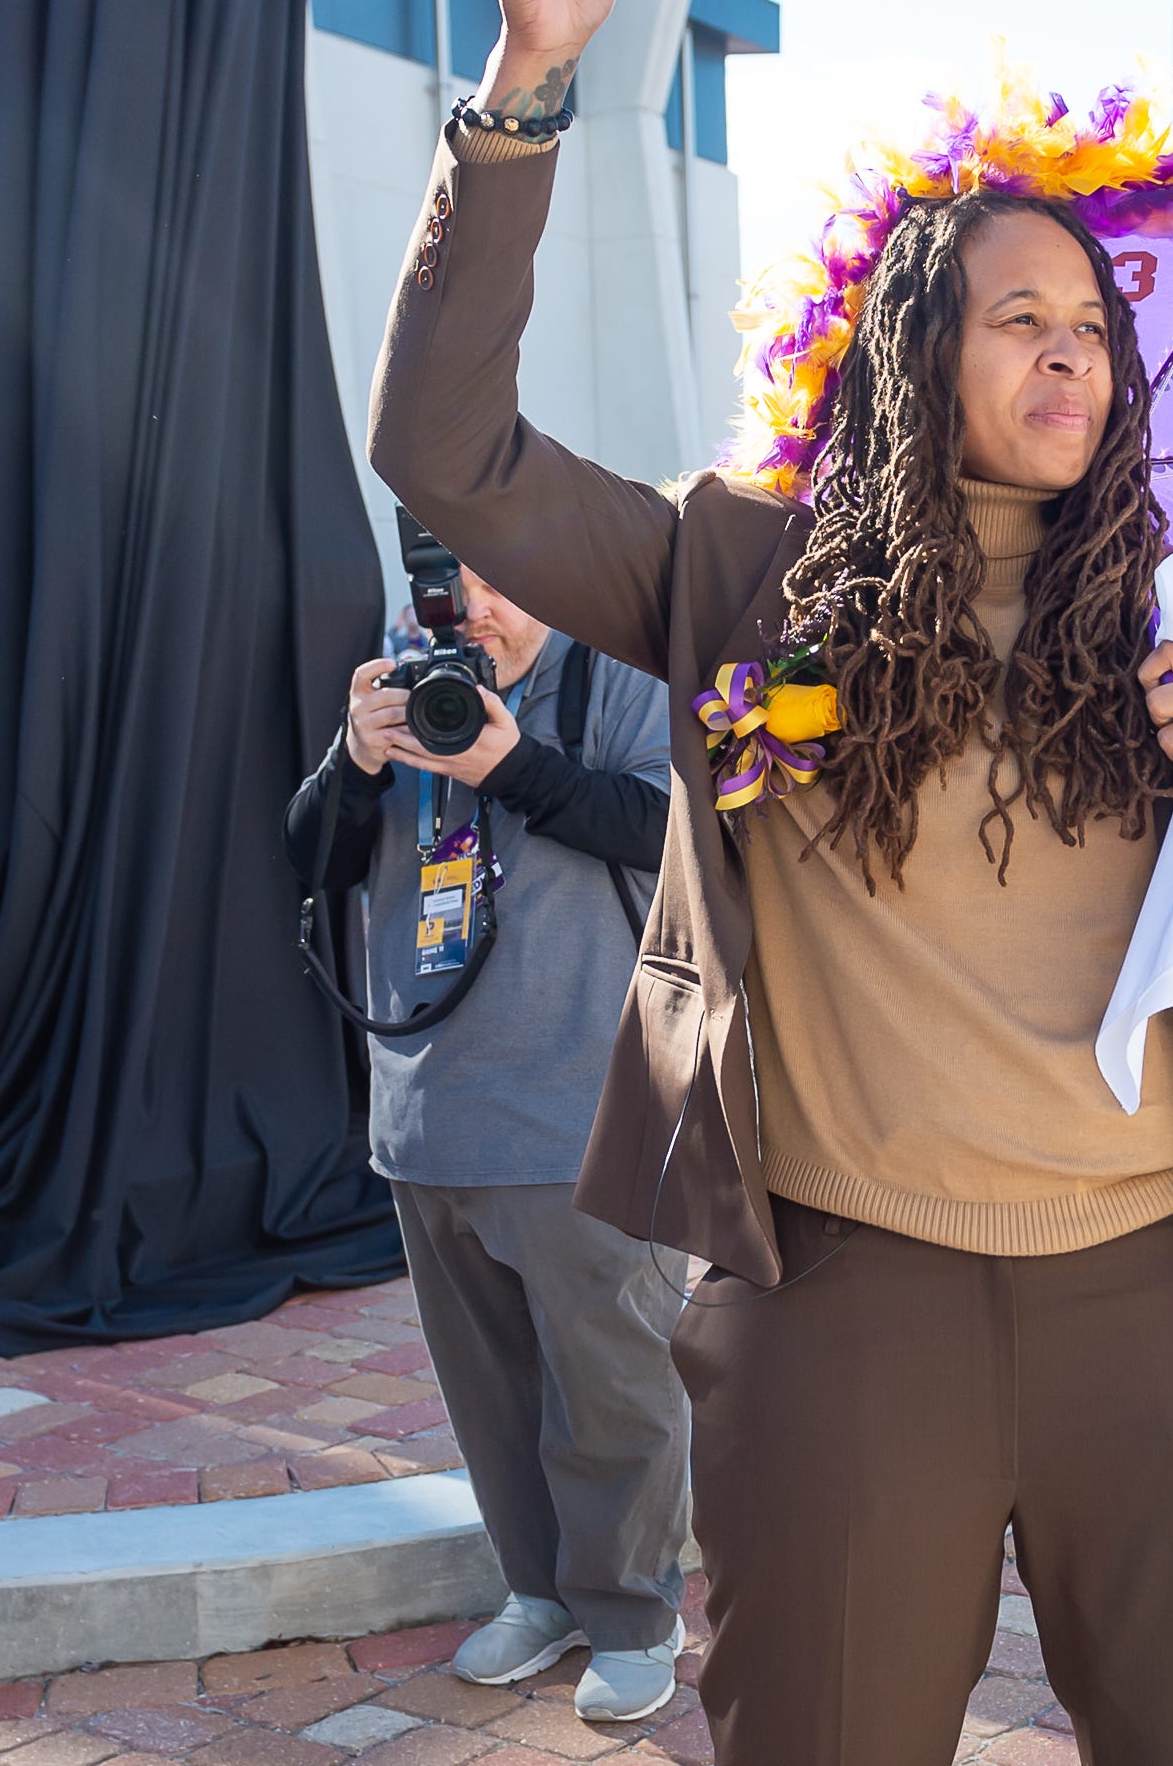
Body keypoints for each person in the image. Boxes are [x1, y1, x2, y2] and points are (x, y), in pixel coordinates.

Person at [372, 0, 1173, 1762]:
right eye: (1019, 317)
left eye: (1093, 322)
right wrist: (529, 90)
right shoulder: (739, 568)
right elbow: (445, 450)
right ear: (917, 344)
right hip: (850, 1307)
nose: (1071, 350)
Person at [283, 564, 691, 1720]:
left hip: (584, 1109)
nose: (477, 616)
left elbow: (672, 828)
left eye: (502, 585)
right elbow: (309, 860)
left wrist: (506, 766)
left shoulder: (618, 669)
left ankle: (631, 1613)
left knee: (613, 1382)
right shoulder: (412, 685)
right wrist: (352, 764)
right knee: (491, 1389)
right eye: (448, 593)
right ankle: (541, 1590)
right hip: (428, 1115)